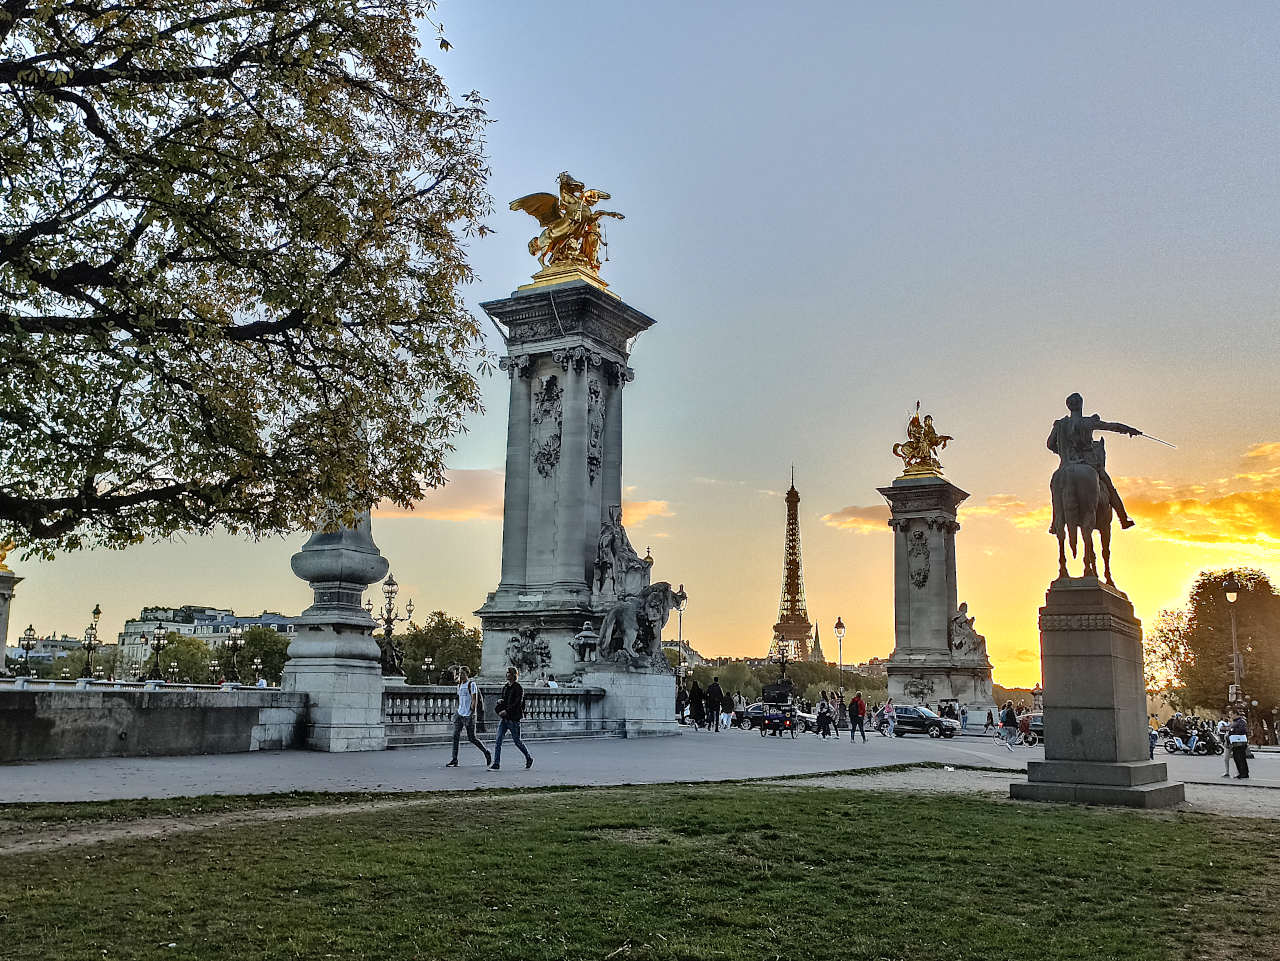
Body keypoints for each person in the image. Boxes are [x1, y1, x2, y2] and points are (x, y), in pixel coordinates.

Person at [446, 667, 492, 768]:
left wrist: (471, 713)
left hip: (469, 714)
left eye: (462, 673)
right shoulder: (459, 684)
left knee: (472, 738)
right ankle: (454, 759)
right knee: (455, 736)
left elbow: (474, 699)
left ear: (467, 674)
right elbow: (459, 697)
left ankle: (486, 752)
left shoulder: (472, 684)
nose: (460, 675)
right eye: (459, 673)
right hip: (460, 713)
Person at [490, 667, 533, 771]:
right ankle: (496, 763)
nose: (507, 674)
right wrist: (501, 702)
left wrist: (507, 711)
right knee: (498, 740)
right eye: (507, 673)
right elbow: (506, 701)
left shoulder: (518, 688)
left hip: (513, 718)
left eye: (509, 673)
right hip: (505, 718)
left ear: (514, 675)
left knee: (517, 741)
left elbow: (517, 703)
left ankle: (528, 757)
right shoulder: (505, 687)